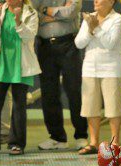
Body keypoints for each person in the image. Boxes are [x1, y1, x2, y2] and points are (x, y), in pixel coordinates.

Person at [32, 0, 89, 151]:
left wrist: (44, 10)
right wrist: (59, 13)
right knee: (49, 92)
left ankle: (81, 135)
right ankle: (57, 137)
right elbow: (32, 15)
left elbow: (71, 12)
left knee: (74, 90)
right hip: (44, 46)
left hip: (68, 44)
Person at [0, 0, 41, 155]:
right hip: (1, 64)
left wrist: (18, 20)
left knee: (19, 106)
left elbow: (29, 37)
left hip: (21, 66)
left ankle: (16, 144)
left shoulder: (31, 13)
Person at [74, 0, 121, 154]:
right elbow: (79, 43)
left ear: (110, 2)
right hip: (90, 68)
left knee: (113, 108)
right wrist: (90, 30)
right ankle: (94, 142)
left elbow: (110, 43)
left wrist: (95, 28)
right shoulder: (89, 18)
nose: (95, 1)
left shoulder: (117, 19)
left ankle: (115, 142)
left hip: (111, 68)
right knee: (91, 108)